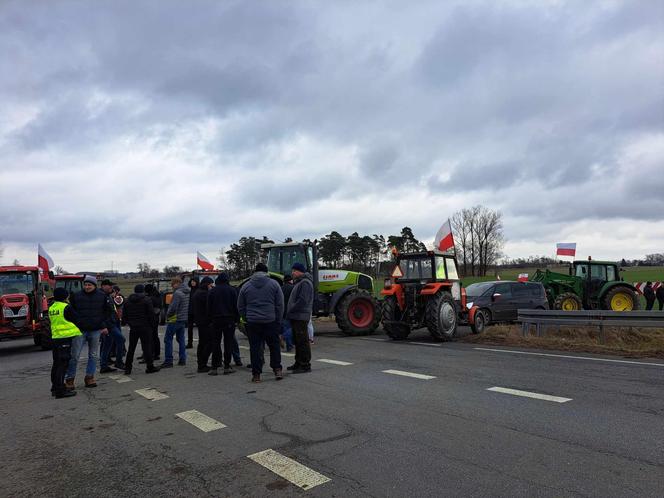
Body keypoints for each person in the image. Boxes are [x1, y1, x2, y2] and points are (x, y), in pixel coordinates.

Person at [237, 263, 284, 383]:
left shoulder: (246, 286)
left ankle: (256, 374)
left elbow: (240, 306)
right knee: (274, 346)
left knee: (255, 348)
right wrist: (278, 320)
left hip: (253, 322)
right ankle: (277, 369)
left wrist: (246, 318)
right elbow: (279, 305)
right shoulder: (274, 284)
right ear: (266, 272)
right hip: (270, 320)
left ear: (255, 272)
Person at [66, 275, 114, 389]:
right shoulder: (76, 296)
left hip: (95, 330)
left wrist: (103, 324)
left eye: (89, 285)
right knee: (74, 356)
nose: (87, 287)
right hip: (80, 330)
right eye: (86, 284)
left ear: (94, 285)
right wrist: (77, 322)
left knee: (93, 355)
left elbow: (109, 311)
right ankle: (69, 379)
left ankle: (89, 377)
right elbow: (69, 312)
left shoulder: (102, 296)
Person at [48, 287, 82, 398]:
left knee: (56, 364)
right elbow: (77, 319)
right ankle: (60, 390)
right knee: (63, 365)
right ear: (65, 296)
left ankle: (54, 387)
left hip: (55, 338)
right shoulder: (66, 307)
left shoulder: (52, 307)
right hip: (65, 338)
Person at [122, 284, 160, 375]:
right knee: (147, 347)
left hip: (133, 327)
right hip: (145, 326)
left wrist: (130, 323)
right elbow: (151, 314)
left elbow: (124, 316)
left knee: (131, 348)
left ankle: (128, 368)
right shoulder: (146, 300)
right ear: (143, 291)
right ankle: (149, 366)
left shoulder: (127, 301)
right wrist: (152, 324)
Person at [207, 273, 239, 375]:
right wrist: (237, 319)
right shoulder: (232, 290)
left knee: (216, 343)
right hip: (229, 319)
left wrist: (210, 320)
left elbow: (209, 307)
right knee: (228, 343)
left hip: (216, 320)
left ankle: (214, 367)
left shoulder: (212, 291)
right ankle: (227, 366)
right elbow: (236, 306)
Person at [286, 262, 314, 374]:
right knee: (297, 341)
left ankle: (305, 365)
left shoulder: (305, 283)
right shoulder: (300, 282)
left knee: (302, 341)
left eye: (294, 271)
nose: (292, 273)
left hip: (300, 316)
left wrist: (292, 307)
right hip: (296, 316)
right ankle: (298, 362)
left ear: (300, 271)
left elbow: (303, 300)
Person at [161, 277, 190, 368]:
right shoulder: (187, 292)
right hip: (183, 318)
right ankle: (182, 359)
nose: (172, 286)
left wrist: (168, 315)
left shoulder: (177, 293)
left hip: (175, 319)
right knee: (181, 339)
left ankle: (168, 360)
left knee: (168, 339)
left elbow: (173, 307)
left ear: (177, 283)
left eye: (172, 284)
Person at [99, 279, 126, 373]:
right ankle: (118, 361)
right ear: (103, 286)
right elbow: (100, 312)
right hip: (108, 324)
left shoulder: (107, 296)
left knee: (107, 344)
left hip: (111, 322)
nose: (111, 287)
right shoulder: (101, 296)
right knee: (121, 339)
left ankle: (104, 365)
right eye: (109, 286)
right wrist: (104, 325)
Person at [192, 276, 213, 373]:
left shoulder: (197, 293)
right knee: (208, 343)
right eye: (210, 284)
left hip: (200, 321)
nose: (211, 286)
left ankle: (201, 363)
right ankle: (202, 364)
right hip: (206, 322)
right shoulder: (204, 294)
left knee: (202, 343)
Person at [144, 283, 162, 360]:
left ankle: (152, 354)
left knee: (151, 337)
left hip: (151, 319)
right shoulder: (157, 295)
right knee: (155, 336)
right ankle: (156, 353)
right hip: (156, 318)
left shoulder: (151, 298)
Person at [281, 275, 294, 352]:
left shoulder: (281, 288)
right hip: (291, 311)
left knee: (286, 327)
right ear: (290, 280)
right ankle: (283, 337)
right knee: (294, 327)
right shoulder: (293, 288)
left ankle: (289, 346)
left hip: (283, 311)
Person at [186, 277, 199, 349]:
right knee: (189, 329)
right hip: (190, 311)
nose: (192, 282)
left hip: (196, 312)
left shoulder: (198, 290)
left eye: (194, 281)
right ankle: (189, 343)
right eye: (191, 281)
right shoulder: (189, 290)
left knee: (200, 328)